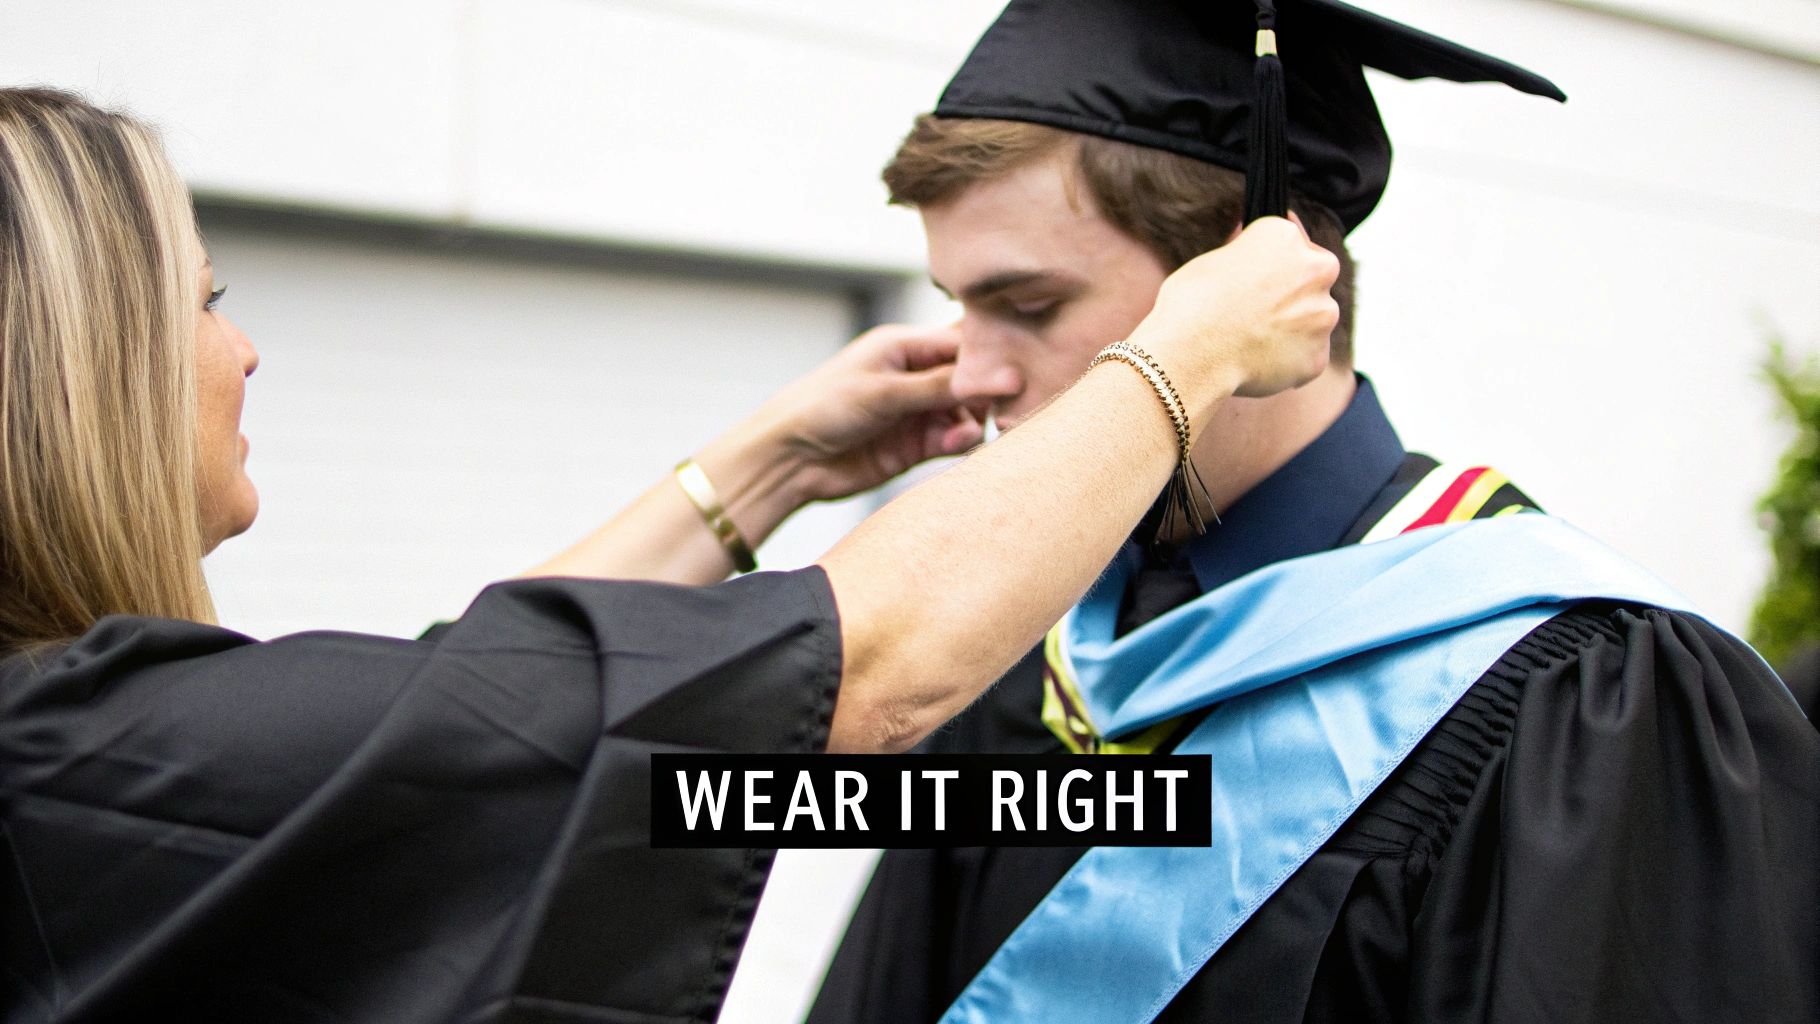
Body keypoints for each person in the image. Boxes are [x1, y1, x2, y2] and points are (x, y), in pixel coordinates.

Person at [0, 86, 1345, 1022]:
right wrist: (1188, 349)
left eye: (1031, 305)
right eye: (207, 302)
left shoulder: (85, 743)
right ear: (77, 377)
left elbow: (472, 711)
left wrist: (778, 467)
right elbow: (853, 674)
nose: (243, 348)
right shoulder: (76, 755)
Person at [812, 2, 1819, 1022]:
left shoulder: (1570, 695)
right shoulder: (1033, 649)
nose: (971, 374)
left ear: (1255, 279)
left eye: (1027, 307)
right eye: (956, 303)